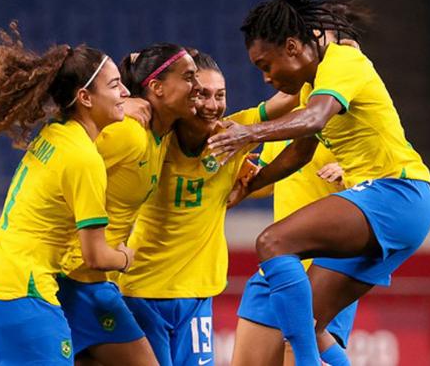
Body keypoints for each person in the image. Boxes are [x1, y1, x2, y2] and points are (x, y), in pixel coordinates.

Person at [208, 0, 430, 365]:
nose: (266, 78)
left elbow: (312, 118)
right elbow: (301, 150)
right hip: (389, 208)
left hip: (397, 193)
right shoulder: (318, 82)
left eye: (266, 65)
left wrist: (249, 133)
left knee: (273, 241)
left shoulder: (342, 63)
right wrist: (253, 184)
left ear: (293, 46)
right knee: (308, 325)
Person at [0, 22, 133, 365]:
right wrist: (125, 257)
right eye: (115, 85)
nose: (125, 92)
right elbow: (95, 256)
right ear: (84, 97)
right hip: (19, 292)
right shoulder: (85, 160)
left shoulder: (55, 132)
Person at [117, 49, 299, 366]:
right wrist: (129, 101)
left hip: (198, 297)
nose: (212, 105)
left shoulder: (236, 133)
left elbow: (294, 97)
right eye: (201, 94)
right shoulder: (154, 137)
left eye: (220, 95)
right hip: (142, 292)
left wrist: (325, 58)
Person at [56, 43, 201, 365]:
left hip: (93, 279)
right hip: (77, 278)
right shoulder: (129, 134)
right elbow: (66, 157)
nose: (198, 87)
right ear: (157, 88)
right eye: (189, 77)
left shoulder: (162, 135)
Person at [233, 83, 357, 366]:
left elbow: (387, 182)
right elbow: (265, 183)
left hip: (325, 274)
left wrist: (349, 173)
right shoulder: (287, 124)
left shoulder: (353, 126)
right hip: (276, 268)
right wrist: (244, 175)